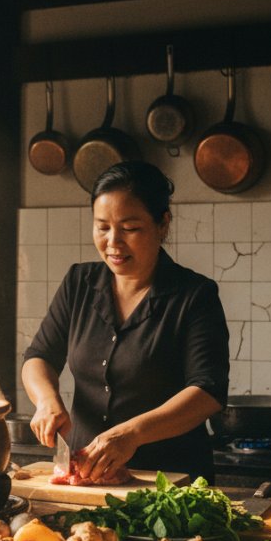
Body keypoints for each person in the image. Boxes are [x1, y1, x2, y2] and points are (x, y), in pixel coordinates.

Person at [21, 161, 230, 483]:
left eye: (130, 228)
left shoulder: (194, 295)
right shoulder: (79, 282)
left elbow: (207, 392)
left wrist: (131, 433)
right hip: (87, 476)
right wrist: (47, 401)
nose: (113, 242)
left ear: (162, 225)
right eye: (102, 227)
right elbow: (39, 357)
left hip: (170, 481)